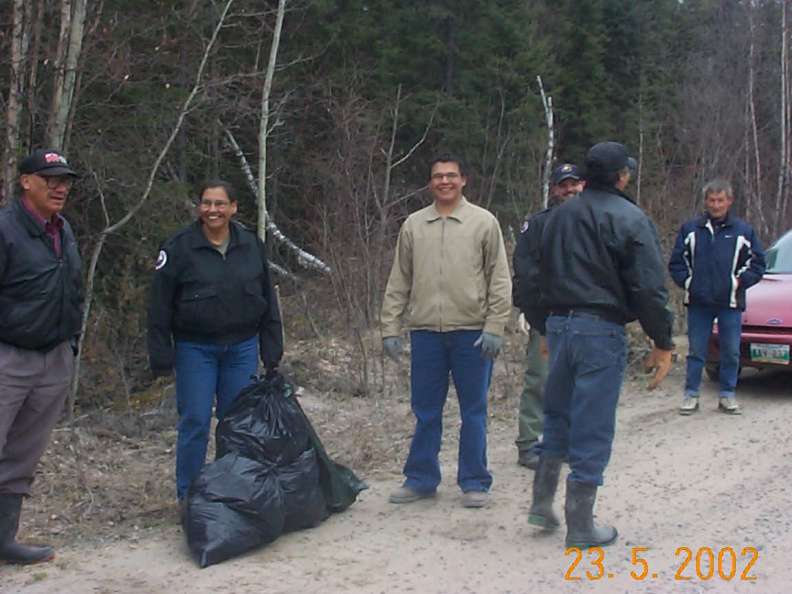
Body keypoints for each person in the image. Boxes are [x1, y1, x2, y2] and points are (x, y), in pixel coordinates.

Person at [518, 141, 675, 548]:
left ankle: (541, 503)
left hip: (559, 325)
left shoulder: (554, 218)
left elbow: (530, 280)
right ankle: (581, 525)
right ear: (621, 176)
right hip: (599, 329)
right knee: (593, 425)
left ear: (588, 177)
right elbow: (650, 288)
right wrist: (662, 340)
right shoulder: (631, 218)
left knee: (557, 416)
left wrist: (544, 327)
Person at [380, 154, 511, 509]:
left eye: (451, 175)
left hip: (473, 333)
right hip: (426, 334)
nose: (444, 182)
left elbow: (499, 278)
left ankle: (474, 480)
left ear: (463, 180)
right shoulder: (414, 225)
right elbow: (399, 279)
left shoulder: (483, 223)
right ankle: (421, 479)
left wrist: (496, 326)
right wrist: (390, 325)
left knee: (474, 411)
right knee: (425, 410)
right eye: (437, 176)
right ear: (430, 182)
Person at [147, 180, 283, 505]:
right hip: (196, 349)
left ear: (234, 208)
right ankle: (190, 497)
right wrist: (161, 359)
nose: (213, 210)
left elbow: (267, 300)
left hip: (242, 347)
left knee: (236, 423)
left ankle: (234, 492)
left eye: (220, 204)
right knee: (194, 421)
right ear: (199, 207)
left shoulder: (251, 244)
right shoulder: (179, 247)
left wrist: (272, 351)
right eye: (207, 203)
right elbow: (159, 307)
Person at [0, 149, 83, 565]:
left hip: (54, 359)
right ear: (26, 182)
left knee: (22, 454)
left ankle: (4, 541)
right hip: (9, 358)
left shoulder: (62, 229)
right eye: (50, 179)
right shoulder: (5, 229)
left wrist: (71, 346)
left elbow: (75, 287)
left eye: (65, 180)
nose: (60, 187)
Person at [668, 179, 765, 416]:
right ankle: (691, 395)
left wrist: (738, 282)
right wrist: (689, 283)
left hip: (730, 302)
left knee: (731, 351)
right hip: (699, 302)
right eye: (711, 200)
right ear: (705, 201)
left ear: (729, 201)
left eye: (720, 200)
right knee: (696, 351)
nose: (716, 205)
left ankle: (727, 396)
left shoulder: (743, 231)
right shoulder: (690, 229)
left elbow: (757, 264)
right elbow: (677, 263)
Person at [512, 163, 584, 470]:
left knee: (580, 383)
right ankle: (529, 443)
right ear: (554, 189)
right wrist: (532, 314)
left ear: (583, 185)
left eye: (574, 183)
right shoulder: (538, 225)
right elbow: (525, 273)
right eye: (563, 185)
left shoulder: (597, 221)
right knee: (540, 379)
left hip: (587, 317)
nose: (569, 189)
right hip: (548, 317)